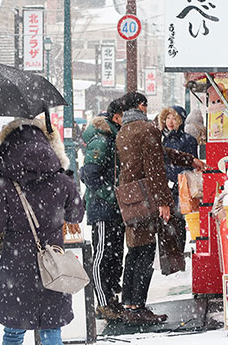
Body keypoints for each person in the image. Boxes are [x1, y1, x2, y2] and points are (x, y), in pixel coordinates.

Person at [0, 118, 83, 345]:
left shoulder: (5, 184)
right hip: (53, 265)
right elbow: (76, 216)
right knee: (51, 331)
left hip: (16, 267)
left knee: (13, 332)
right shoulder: (62, 180)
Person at [115, 93, 205, 325]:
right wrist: (164, 201)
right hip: (145, 198)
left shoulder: (124, 131)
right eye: (145, 104)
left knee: (134, 250)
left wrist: (187, 160)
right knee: (144, 252)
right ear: (140, 106)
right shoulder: (147, 129)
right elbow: (155, 167)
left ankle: (130, 305)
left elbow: (159, 154)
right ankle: (139, 308)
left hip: (129, 197)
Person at [80, 99, 125, 322]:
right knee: (102, 255)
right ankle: (103, 302)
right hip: (103, 209)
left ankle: (109, 299)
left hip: (113, 208)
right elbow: (90, 175)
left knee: (114, 255)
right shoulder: (102, 140)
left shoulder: (113, 137)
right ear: (116, 116)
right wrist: (111, 196)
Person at [158, 106, 199, 264]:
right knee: (164, 224)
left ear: (180, 120)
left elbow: (190, 167)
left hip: (179, 188)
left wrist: (177, 179)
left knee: (178, 223)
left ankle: (176, 258)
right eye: (167, 118)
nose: (170, 122)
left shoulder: (188, 140)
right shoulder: (159, 139)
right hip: (163, 188)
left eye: (174, 118)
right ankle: (167, 260)